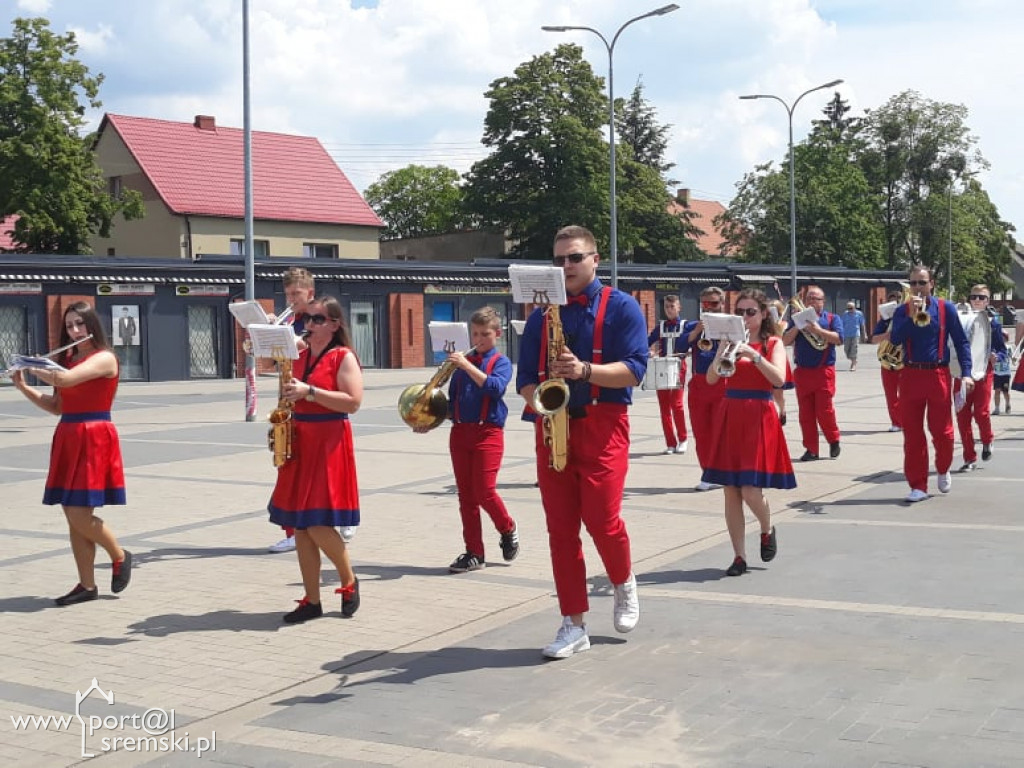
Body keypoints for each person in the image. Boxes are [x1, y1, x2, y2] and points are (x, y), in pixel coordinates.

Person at [517, 225, 647, 660]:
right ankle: (573, 624)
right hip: (553, 427)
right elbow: (525, 378)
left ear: (594, 259)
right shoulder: (540, 316)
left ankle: (623, 580)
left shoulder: (622, 306)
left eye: (574, 257)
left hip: (602, 423)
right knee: (560, 531)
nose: (566, 266)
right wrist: (539, 401)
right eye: (559, 260)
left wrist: (585, 371)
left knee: (602, 520)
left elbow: (635, 370)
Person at [12, 302, 132, 606]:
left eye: (80, 324)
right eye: (69, 326)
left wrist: (33, 365)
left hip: (94, 435)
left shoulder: (104, 358)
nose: (75, 330)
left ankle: (119, 554)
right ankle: (87, 585)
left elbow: (65, 380)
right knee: (73, 515)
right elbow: (57, 407)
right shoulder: (66, 359)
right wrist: (23, 385)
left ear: (92, 325)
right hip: (69, 433)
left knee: (79, 514)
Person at [267, 295, 362, 622]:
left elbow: (352, 402)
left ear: (334, 324)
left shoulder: (343, 356)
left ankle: (349, 581)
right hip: (300, 439)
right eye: (307, 318)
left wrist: (310, 392)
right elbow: (270, 368)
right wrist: (271, 336)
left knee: (318, 523)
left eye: (317, 319)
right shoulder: (301, 354)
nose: (309, 324)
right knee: (301, 526)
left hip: (329, 440)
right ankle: (312, 600)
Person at [703, 288, 795, 576]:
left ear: (763, 314)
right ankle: (739, 556)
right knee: (730, 490)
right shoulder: (731, 342)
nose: (745, 316)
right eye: (740, 312)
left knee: (750, 490)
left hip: (759, 414)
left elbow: (779, 379)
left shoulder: (773, 343)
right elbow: (711, 379)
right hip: (731, 412)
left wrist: (754, 355)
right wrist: (721, 351)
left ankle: (767, 528)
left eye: (750, 312)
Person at [433, 307, 519, 573]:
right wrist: (430, 418)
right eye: (475, 334)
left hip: (488, 433)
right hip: (460, 433)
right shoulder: (461, 366)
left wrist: (466, 366)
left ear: (497, 334)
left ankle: (507, 528)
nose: (478, 340)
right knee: (466, 496)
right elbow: (454, 403)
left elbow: (495, 388)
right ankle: (474, 552)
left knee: (484, 491)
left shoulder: (501, 362)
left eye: (485, 334)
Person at [888, 266, 973, 502]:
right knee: (912, 434)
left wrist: (966, 373)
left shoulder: (946, 308)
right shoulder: (902, 310)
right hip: (910, 375)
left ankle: (943, 468)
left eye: (922, 282)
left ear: (931, 284)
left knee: (942, 432)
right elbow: (895, 339)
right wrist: (911, 315)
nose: (917, 287)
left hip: (938, 374)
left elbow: (961, 342)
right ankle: (918, 485)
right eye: (913, 283)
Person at [267, 267, 315, 554]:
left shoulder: (318, 320)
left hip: (311, 398)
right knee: (285, 464)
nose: (292, 299)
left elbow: (310, 349)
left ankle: (331, 521)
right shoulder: (290, 321)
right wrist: (269, 334)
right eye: (288, 294)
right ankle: (291, 532)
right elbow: (269, 362)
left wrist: (287, 337)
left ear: (310, 293)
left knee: (312, 471)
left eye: (296, 293)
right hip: (288, 401)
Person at [783, 285, 844, 461]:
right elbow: (785, 341)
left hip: (824, 371)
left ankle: (833, 439)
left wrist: (817, 330)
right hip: (802, 372)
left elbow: (839, 339)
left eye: (815, 299)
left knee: (825, 411)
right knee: (805, 414)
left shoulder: (832, 318)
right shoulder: (797, 319)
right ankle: (811, 450)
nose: (810, 301)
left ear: (822, 302)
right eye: (808, 298)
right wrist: (797, 326)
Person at [954, 285, 1007, 471]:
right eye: (974, 296)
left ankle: (987, 439)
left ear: (988, 301)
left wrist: (997, 356)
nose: (977, 300)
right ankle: (969, 458)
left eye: (981, 297)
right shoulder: (959, 319)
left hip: (983, 372)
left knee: (981, 412)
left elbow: (1002, 349)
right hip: (961, 373)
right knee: (962, 416)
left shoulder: (993, 323)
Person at [683, 287, 727, 490]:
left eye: (714, 303)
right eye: (705, 304)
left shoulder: (732, 325)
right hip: (699, 384)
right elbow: (679, 347)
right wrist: (696, 332)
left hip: (723, 382)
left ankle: (723, 472)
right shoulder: (694, 325)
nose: (709, 307)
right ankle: (708, 473)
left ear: (723, 304)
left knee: (722, 432)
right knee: (701, 432)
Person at [647, 294, 688, 455]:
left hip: (679, 367)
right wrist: (649, 351)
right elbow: (647, 341)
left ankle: (683, 439)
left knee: (676, 405)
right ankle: (670, 443)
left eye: (672, 306)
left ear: (679, 307)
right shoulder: (661, 327)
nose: (669, 310)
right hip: (662, 367)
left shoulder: (685, 325)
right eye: (666, 307)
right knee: (664, 407)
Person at [871, 289, 905, 432]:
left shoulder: (907, 318)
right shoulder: (884, 321)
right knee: (891, 395)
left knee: (906, 395)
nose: (895, 301)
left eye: (898, 298)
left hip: (904, 362)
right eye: (892, 299)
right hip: (888, 362)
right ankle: (896, 422)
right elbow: (874, 339)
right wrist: (888, 334)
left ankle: (905, 420)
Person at [840, 301, 867, 371]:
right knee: (846, 350)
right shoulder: (845, 314)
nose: (849, 310)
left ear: (854, 307)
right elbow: (841, 324)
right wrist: (840, 334)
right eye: (848, 308)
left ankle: (853, 364)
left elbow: (862, 324)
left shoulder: (859, 314)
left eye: (851, 308)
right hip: (846, 334)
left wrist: (865, 334)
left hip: (856, 334)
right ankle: (853, 360)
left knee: (854, 349)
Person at [992, 351, 1011, 415]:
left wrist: (1014, 359)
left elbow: (1012, 359)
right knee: (997, 391)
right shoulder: (993, 348)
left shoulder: (1008, 348)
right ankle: (997, 409)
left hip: (1006, 375)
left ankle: (1007, 404)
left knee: (1005, 392)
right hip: (997, 374)